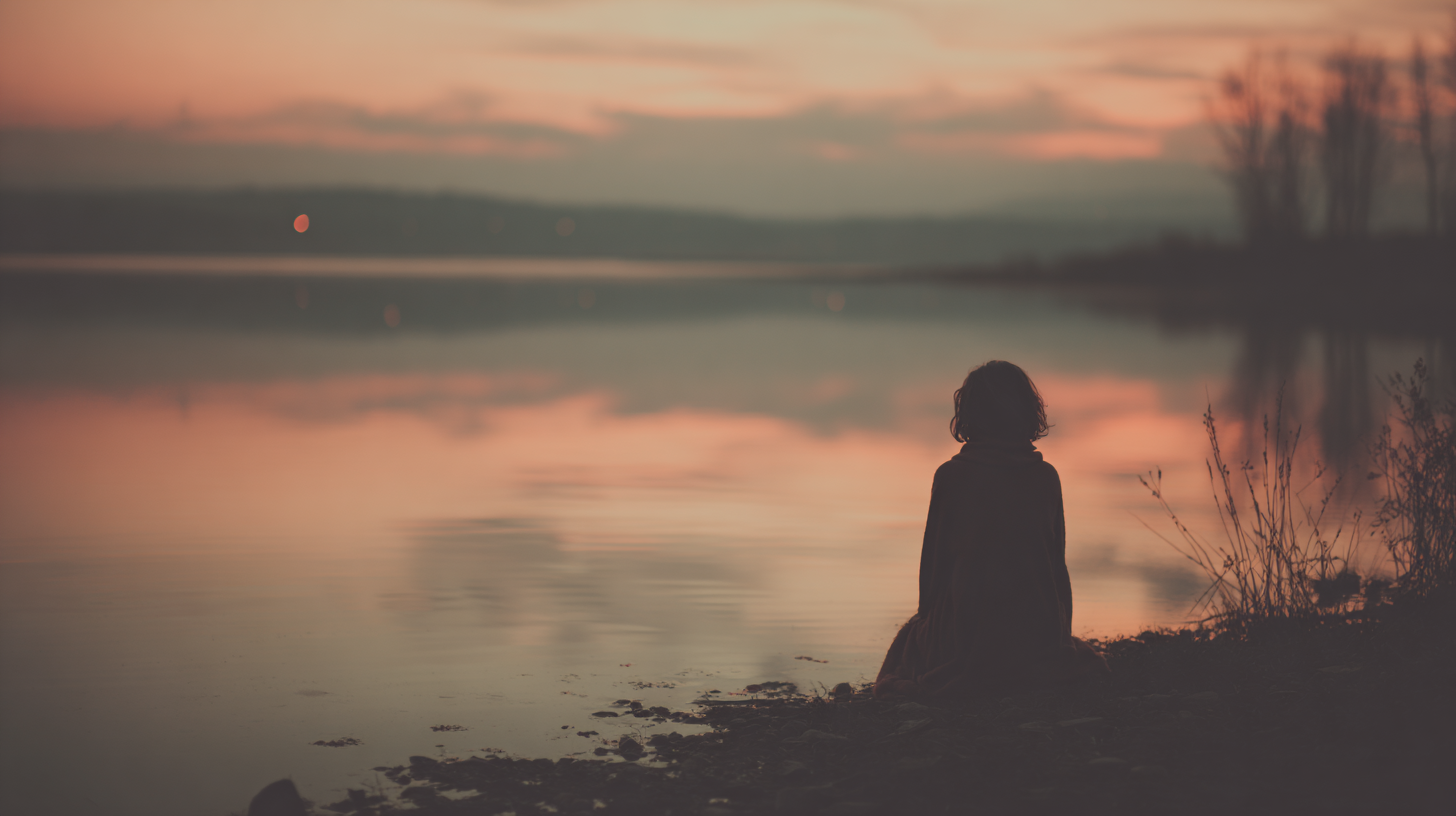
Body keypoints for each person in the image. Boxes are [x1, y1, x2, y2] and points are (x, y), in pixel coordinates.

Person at [874, 361, 1107, 700]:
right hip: (1035, 630)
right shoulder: (1046, 477)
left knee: (908, 640)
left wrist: (927, 624)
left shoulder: (952, 476)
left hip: (967, 631)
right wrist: (1059, 637)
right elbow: (1056, 566)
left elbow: (934, 569)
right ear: (1027, 411)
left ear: (968, 413)